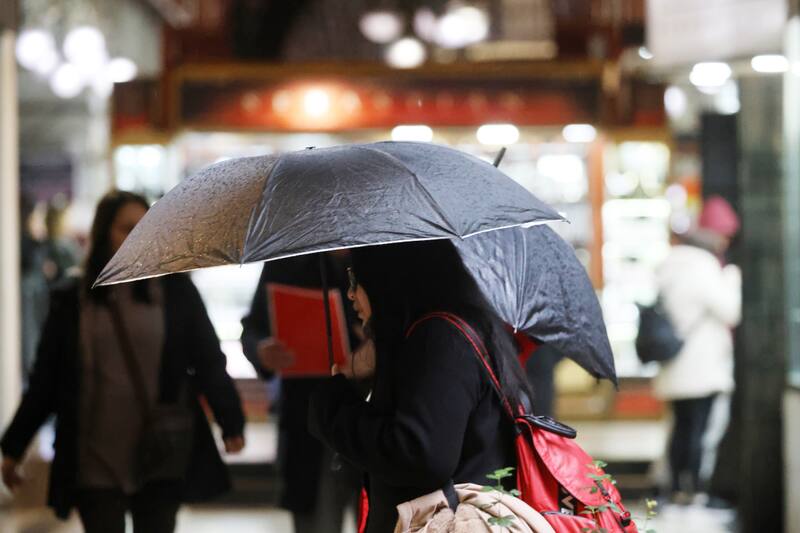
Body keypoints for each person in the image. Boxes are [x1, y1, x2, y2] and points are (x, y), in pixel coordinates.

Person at [1, 190, 246, 533]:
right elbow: (47, 379)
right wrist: (13, 446)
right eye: (125, 228)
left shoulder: (176, 292)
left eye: (144, 227)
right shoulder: (74, 300)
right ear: (104, 234)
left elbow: (208, 361)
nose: (136, 236)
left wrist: (230, 419)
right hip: (93, 453)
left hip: (159, 446)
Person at [307, 240, 532, 533]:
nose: (350, 293)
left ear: (389, 276)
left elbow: (418, 456)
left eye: (355, 278)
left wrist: (332, 405)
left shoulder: (439, 340)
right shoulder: (449, 330)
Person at [240, 252, 362, 533]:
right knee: (315, 518)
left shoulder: (383, 257)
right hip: (309, 421)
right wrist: (262, 350)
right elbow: (254, 328)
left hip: (373, 415)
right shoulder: (290, 259)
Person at [654, 195, 741, 503]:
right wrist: (731, 278)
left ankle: (677, 487)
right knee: (700, 430)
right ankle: (692, 490)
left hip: (676, 363)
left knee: (681, 427)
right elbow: (730, 311)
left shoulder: (670, 265)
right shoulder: (704, 267)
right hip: (701, 365)